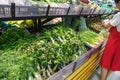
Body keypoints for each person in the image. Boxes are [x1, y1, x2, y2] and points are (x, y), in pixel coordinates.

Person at [99, 0, 120, 80]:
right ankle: (106, 78)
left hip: (115, 41)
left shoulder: (119, 15)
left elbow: (108, 25)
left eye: (116, 3)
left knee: (106, 62)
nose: (116, 5)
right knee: (114, 63)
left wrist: (104, 24)